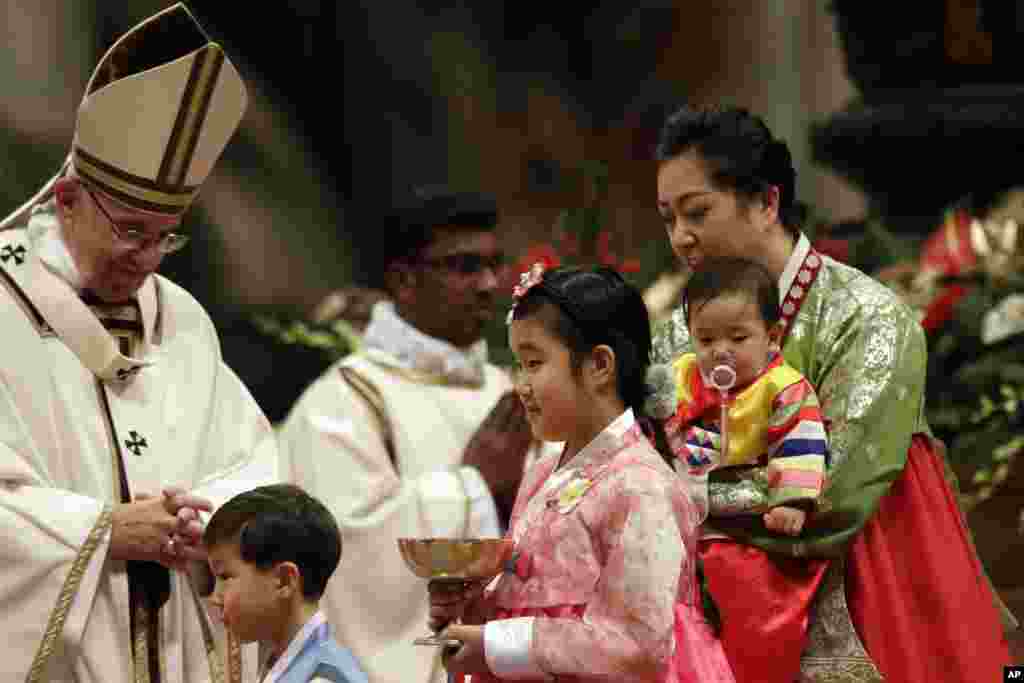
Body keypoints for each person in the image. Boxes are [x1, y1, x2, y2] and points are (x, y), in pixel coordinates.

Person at [651, 104, 1014, 682]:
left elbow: (836, 486)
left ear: (767, 201)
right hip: (712, 605)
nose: (680, 238)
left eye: (696, 212)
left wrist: (688, 499)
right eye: (668, 219)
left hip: (869, 593)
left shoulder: (868, 317)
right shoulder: (676, 332)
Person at [0, 5, 278, 682]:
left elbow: (253, 462)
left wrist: (206, 524)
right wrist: (99, 532)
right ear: (66, 200)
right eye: (130, 231)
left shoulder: (183, 321)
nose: (150, 258)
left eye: (167, 234)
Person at [278, 188, 541, 683]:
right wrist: (475, 488)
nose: (488, 284)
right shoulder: (343, 402)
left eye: (494, 265)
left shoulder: (514, 391)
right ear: (403, 279)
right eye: (463, 266)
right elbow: (341, 558)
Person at [429, 264, 734, 683]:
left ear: (600, 365)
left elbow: (638, 644)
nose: (521, 384)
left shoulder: (642, 485)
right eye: (518, 365)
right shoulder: (540, 475)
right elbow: (528, 602)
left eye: (534, 363)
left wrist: (499, 643)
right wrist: (469, 615)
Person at [666, 256, 830, 680]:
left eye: (738, 337)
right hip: (683, 521)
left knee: (758, 615)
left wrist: (792, 498)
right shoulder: (681, 377)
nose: (720, 350)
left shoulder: (783, 387)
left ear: (771, 337)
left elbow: (801, 443)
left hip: (747, 533)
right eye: (705, 339)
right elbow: (655, 427)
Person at [205, 484, 367, 683]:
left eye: (225, 577)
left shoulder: (323, 678)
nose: (215, 597)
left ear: (284, 581)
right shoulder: (289, 662)